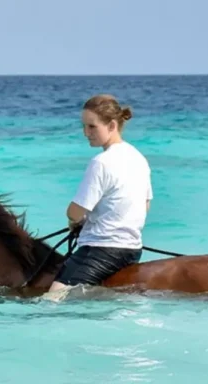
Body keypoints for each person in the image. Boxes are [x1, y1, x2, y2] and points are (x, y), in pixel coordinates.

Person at [49, 94, 153, 292]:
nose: (86, 133)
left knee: (52, 298)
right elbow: (145, 206)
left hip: (100, 249)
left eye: (92, 126)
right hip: (132, 250)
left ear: (112, 126)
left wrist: (75, 221)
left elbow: (75, 212)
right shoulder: (138, 158)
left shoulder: (101, 162)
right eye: (84, 126)